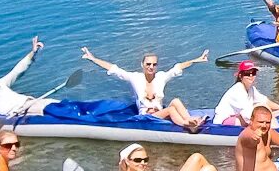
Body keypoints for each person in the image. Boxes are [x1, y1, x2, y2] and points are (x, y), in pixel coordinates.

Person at [80, 46, 209, 131]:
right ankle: (187, 125)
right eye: (148, 64)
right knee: (170, 109)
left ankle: (188, 120)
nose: (151, 67)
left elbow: (178, 67)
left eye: (154, 64)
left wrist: (197, 59)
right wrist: (93, 58)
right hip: (146, 117)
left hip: (159, 113)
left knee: (175, 101)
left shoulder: (161, 77)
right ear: (142, 65)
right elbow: (114, 69)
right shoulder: (135, 78)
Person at [212, 61, 279, 126]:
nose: (251, 76)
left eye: (253, 73)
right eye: (247, 73)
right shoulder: (237, 90)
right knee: (260, 117)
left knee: (261, 106)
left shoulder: (251, 89)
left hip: (238, 116)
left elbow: (264, 101)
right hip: (222, 123)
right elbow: (247, 114)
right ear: (240, 76)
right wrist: (266, 120)